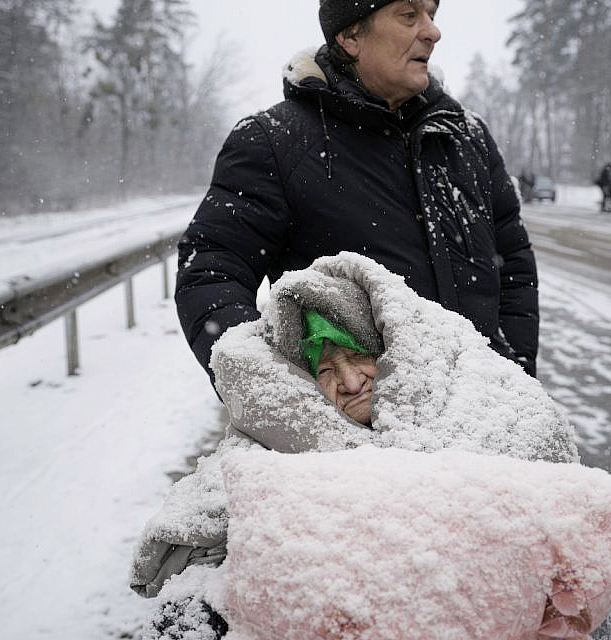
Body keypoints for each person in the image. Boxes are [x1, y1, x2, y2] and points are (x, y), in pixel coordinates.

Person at [131, 252, 579, 639]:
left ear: (391, 347)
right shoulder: (274, 441)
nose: (348, 382)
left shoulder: (475, 402)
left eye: (360, 354)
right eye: (324, 369)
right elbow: (183, 540)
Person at [174, 0, 541, 386]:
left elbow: (513, 262)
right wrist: (282, 394)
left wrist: (513, 371)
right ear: (350, 36)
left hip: (481, 415)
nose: (433, 32)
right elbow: (211, 270)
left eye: (432, 15)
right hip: (361, 435)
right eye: (409, 14)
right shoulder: (273, 142)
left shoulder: (468, 138)